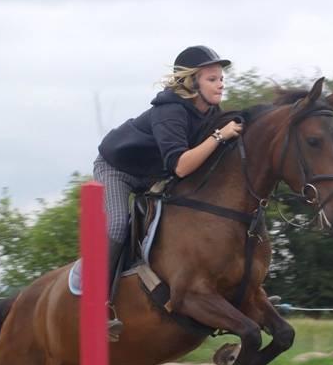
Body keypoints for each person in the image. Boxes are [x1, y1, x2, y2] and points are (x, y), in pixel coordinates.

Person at [94, 45, 243, 339]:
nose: (221, 84)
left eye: (221, 78)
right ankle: (98, 305)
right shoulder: (170, 111)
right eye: (212, 79)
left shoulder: (211, 111)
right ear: (192, 82)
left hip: (153, 175)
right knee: (116, 225)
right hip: (117, 171)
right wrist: (218, 136)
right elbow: (181, 166)